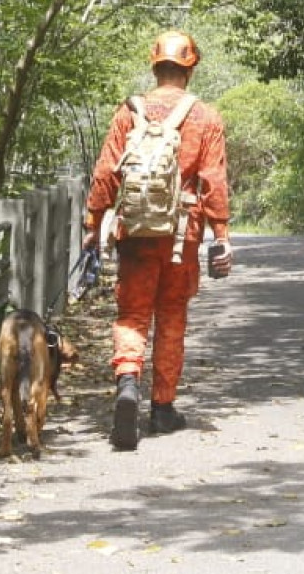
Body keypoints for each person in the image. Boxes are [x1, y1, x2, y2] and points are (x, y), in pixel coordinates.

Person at [82, 29, 234, 450]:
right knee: (171, 316)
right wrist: (222, 235)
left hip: (135, 231)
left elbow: (105, 173)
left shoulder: (129, 111)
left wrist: (93, 223)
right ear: (190, 69)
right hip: (182, 236)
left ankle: (128, 381)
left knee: (132, 314)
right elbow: (214, 181)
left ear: (155, 67)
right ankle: (163, 408)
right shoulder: (205, 117)